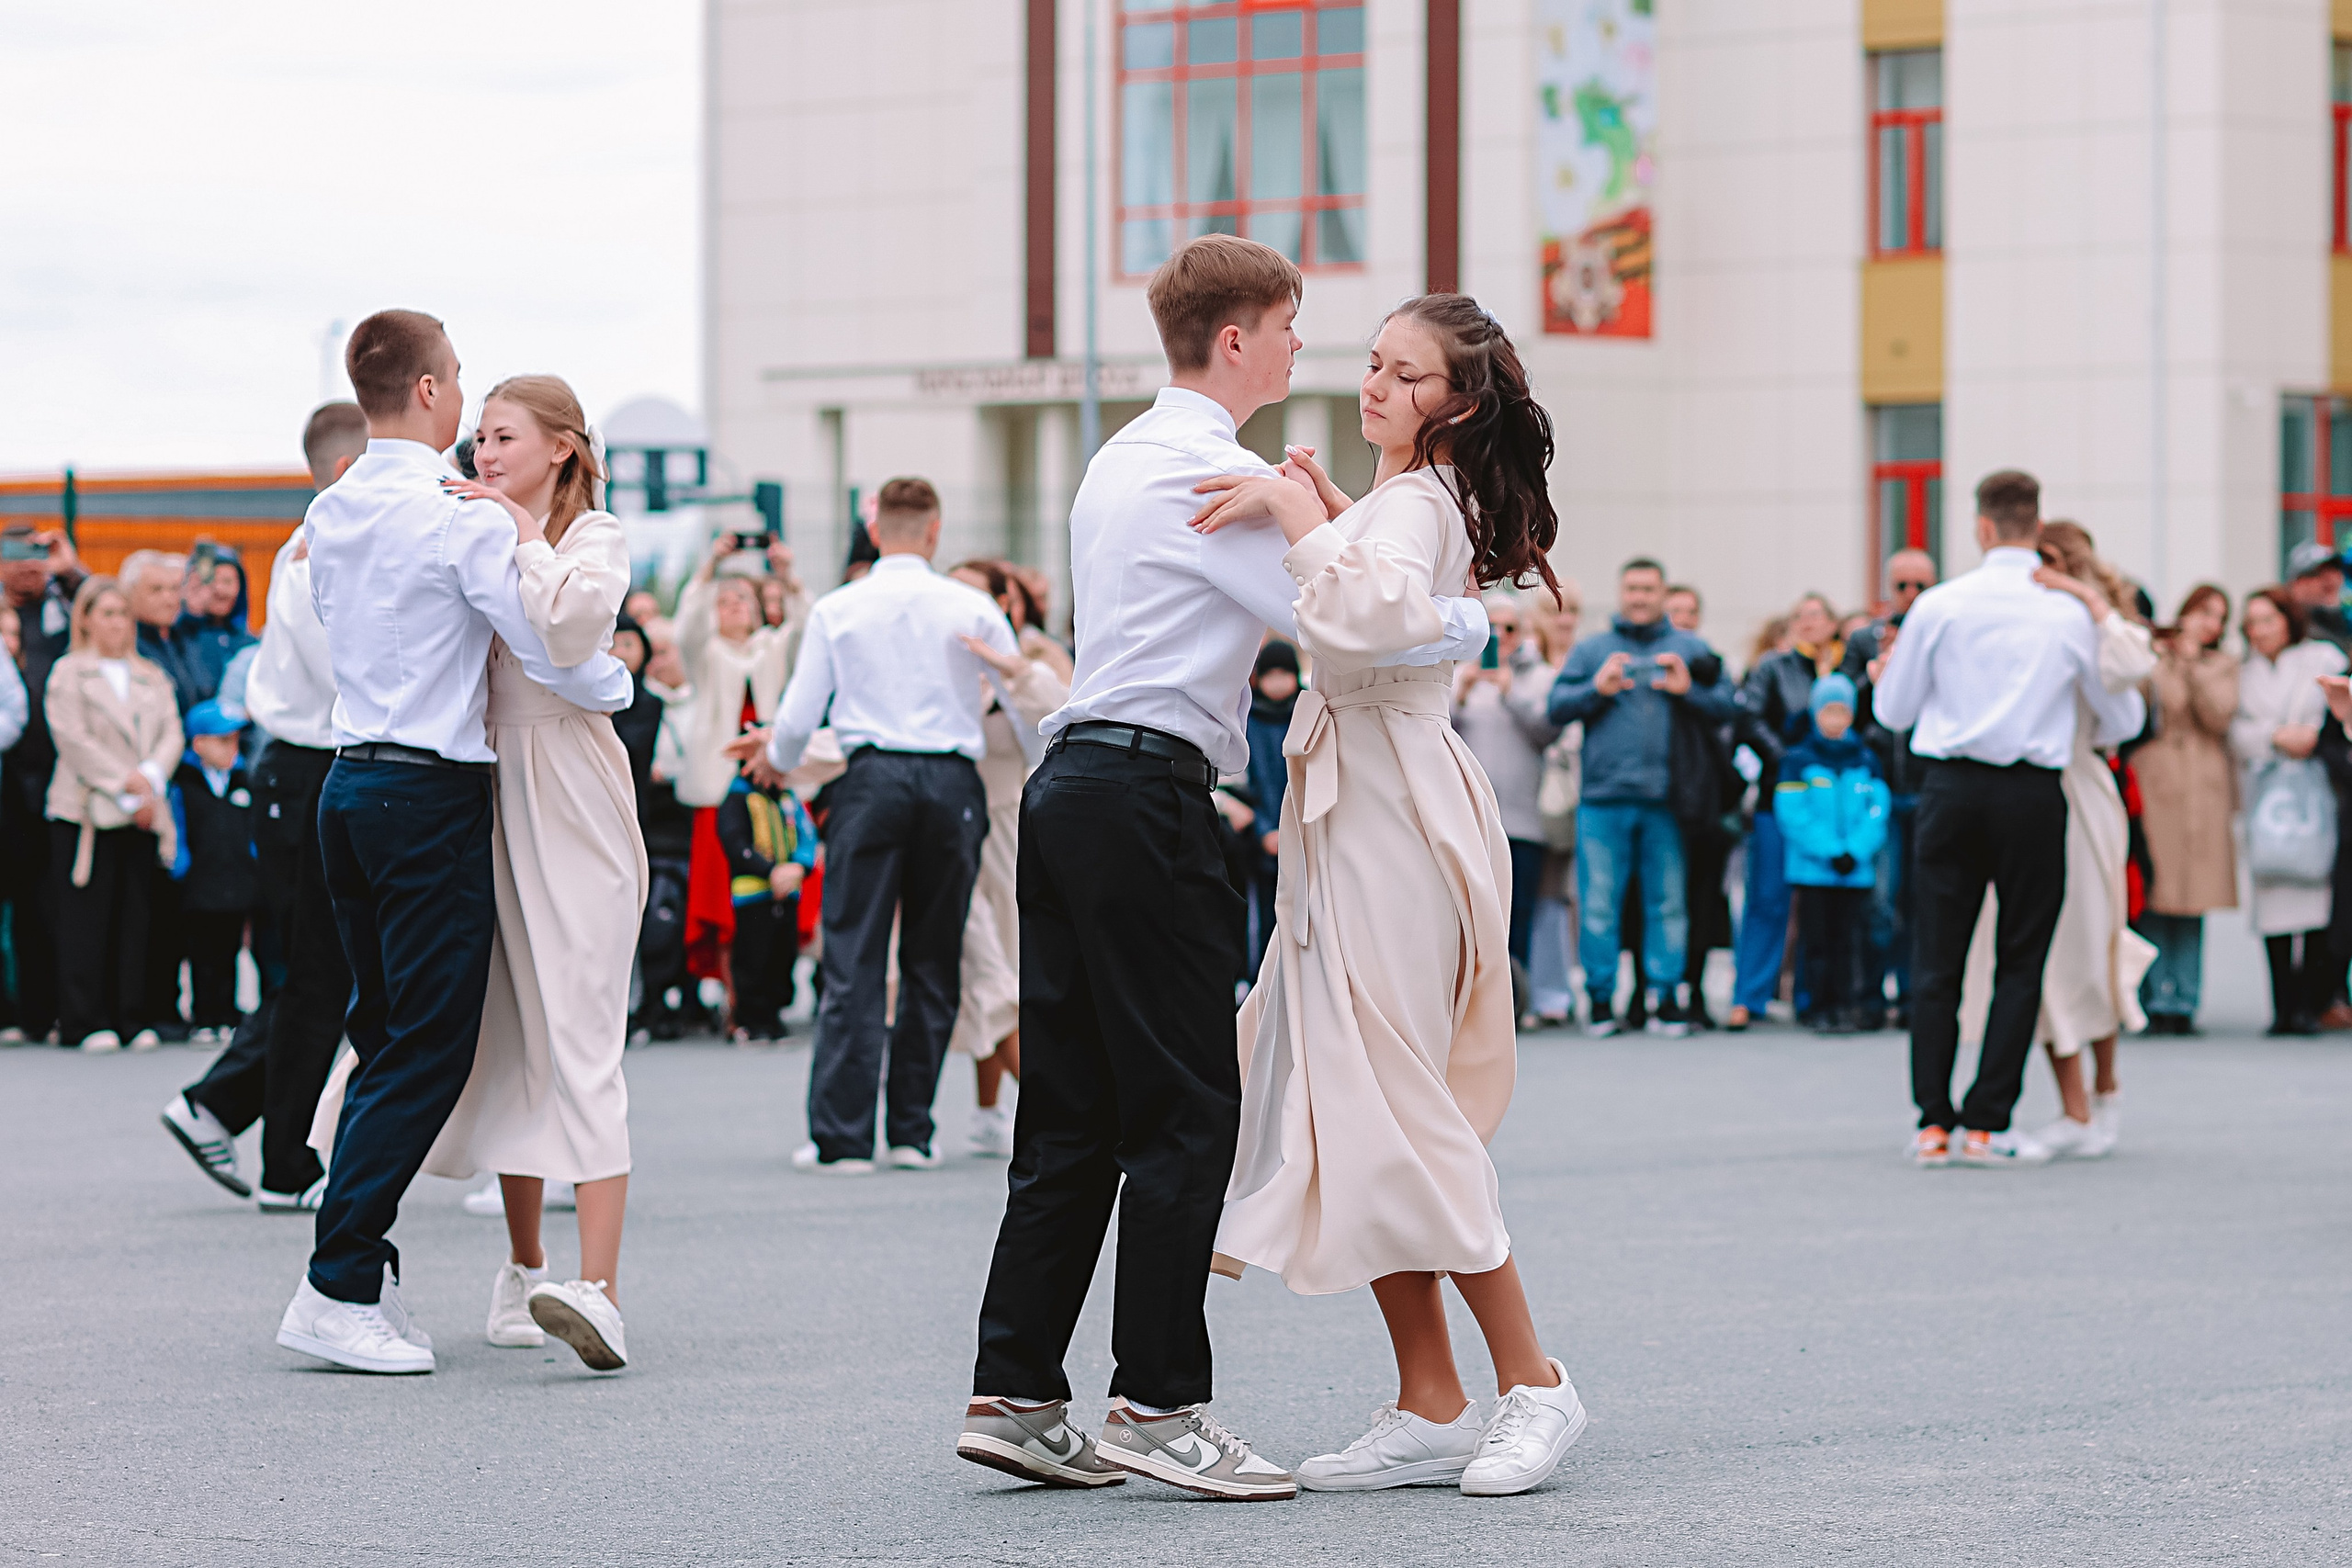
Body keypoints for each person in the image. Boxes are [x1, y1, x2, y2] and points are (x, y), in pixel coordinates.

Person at [956, 237, 1486, 1501]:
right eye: (1293, 328)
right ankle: (1160, 1400)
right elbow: (1353, 618)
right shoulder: (1213, 475)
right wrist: (1475, 612)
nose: (1308, 350)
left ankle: (1019, 1386)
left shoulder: (1119, 457)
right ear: (1238, 337)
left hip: (1073, 778)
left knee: (1071, 1106)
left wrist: (1309, 507)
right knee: (1190, 1104)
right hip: (1147, 791)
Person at [1190, 289, 1589, 1499]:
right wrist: (1317, 509)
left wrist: (1296, 509)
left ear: (1459, 403)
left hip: (1395, 813)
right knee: (1355, 1104)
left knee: (1399, 1098)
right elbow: (1389, 622)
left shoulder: (1419, 501)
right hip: (1358, 802)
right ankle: (1431, 1394)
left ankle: (1534, 1381)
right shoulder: (1398, 499)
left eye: (1404, 374)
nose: (1375, 385)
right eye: (1372, 363)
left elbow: (1363, 627)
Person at [274, 310, 631, 1377]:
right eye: (463, 392)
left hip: (346, 784)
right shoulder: (457, 516)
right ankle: (338, 1283)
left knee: (390, 1034)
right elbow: (553, 650)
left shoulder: (329, 508)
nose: (476, 431)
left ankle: (364, 1262)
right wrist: (617, 680)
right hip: (432, 795)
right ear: (429, 392)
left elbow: (323, 642)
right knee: (429, 1046)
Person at [729, 476, 1015, 1172]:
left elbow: (799, 716)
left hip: (871, 779)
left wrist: (784, 762)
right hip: (953, 781)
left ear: (877, 530)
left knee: (854, 955)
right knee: (934, 955)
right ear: (935, 530)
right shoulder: (972, 604)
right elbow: (1022, 698)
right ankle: (913, 1131)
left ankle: (843, 1135)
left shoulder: (840, 606)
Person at [1869, 470, 2145, 1168]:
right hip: (2032, 793)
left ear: (1983, 526)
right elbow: (2122, 718)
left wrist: (1886, 680)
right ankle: (1989, 1122)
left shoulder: (1941, 603)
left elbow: (1894, 713)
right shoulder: (2066, 614)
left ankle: (1933, 1122)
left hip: (1952, 788)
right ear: (2034, 521)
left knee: (1938, 958)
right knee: (2022, 960)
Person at [161, 402, 368, 1213]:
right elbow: (345, 674)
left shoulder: (328, 542)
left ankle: (223, 1107)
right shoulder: (315, 553)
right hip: (305, 768)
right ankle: (284, 1159)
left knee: (318, 970)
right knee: (314, 970)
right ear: (351, 472)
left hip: (309, 770)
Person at [1956, 524, 2154, 1159]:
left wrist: (2087, 600)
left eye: (2045, 564)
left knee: (2094, 946)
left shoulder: (2086, 623)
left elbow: (2131, 687)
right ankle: (2073, 1107)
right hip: (2016, 795)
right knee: (2030, 956)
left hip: (2081, 793)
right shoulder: (2011, 623)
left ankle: (2107, 1093)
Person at [1546, 558, 1739, 1036]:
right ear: (1620, 592)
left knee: (1667, 903)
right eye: (1631, 588)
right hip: (1602, 799)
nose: (1639, 597)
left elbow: (1729, 708)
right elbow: (1555, 707)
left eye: (1648, 589)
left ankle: (1666, 999)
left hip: (1668, 801)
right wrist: (1597, 688)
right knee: (1598, 905)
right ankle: (1600, 1000)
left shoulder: (1689, 648)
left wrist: (1688, 689)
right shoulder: (1594, 651)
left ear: (1662, 593)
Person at [947, 558, 1070, 1156]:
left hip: (1015, 830)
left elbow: (1062, 717)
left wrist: (1008, 668)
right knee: (984, 972)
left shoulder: (1033, 660)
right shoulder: (940, 658)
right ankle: (1049, 1109)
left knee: (1007, 974)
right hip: (952, 827)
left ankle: (1007, 1109)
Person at [43, 576, 182, 1053]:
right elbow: (72, 739)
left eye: (123, 613)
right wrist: (124, 781)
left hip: (142, 811)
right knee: (87, 917)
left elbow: (171, 731)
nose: (117, 623)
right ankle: (86, 1018)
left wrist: (150, 778)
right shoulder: (68, 673)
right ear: (84, 619)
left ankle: (131, 1016)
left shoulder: (150, 674)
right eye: (106, 613)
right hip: (85, 812)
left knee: (135, 915)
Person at [2229, 586, 2346, 1035]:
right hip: (2267, 789)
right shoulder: (2245, 674)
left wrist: (2315, 739)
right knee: (2274, 897)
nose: (2260, 631)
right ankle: (2281, 1005)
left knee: (2317, 897)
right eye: (2252, 623)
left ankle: (2311, 1003)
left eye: (2268, 620)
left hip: (2316, 787)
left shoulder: (2323, 660)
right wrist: (2275, 739)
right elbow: (2236, 732)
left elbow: (2341, 711)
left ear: (2288, 619)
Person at [1729, 592, 1848, 1030]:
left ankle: (1816, 996)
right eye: (1800, 616)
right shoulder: (1774, 669)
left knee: (1826, 903)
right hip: (1780, 796)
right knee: (1768, 899)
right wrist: (1790, 760)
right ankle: (1749, 996)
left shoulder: (1846, 669)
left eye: (1816, 616)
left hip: (1837, 806)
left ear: (1833, 623)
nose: (1807, 623)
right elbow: (1752, 721)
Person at [2130, 584, 2238, 1034]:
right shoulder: (2155, 658)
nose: (2209, 623)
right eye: (2203, 612)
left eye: (2219, 617)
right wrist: (2167, 657)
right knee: (2155, 892)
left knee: (2194, 897)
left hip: (2202, 789)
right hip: (2158, 785)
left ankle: (2186, 999)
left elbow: (2217, 714)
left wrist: (2192, 662)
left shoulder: (2223, 665)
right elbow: (2154, 706)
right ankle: (2154, 997)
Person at [1847, 549, 1939, 1029]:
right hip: (1879, 785)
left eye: (1921, 587)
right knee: (1880, 899)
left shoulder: (1943, 636)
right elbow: (1842, 711)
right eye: (1902, 586)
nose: (1911, 597)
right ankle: (1869, 995)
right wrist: (1873, 677)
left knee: (1922, 900)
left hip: (1928, 787)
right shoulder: (1864, 641)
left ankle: (1911, 996)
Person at [1451, 589, 1562, 984]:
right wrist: (1462, 693)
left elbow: (1547, 730)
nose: (1500, 636)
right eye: (1491, 626)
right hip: (1467, 819)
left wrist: (1509, 691)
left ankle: (1517, 999)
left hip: (1520, 818)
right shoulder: (1456, 671)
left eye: (1509, 628)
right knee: (1469, 917)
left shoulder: (1541, 677)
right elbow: (1432, 730)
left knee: (1519, 913)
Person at [1, 522, 83, 1045]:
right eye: (16, 554)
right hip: (10, 781)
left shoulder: (62, 610)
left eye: (38, 554)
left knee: (58, 900)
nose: (29, 564)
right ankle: (21, 1012)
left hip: (63, 775)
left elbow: (106, 612)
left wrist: (69, 571)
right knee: (19, 902)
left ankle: (58, 1009)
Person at [1773, 674, 1890, 1033]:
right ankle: (1815, 1005)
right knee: (1817, 940)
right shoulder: (1799, 760)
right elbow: (1793, 812)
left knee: (1848, 940)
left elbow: (1877, 809)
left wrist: (1855, 850)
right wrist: (1829, 850)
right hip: (1814, 870)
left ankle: (1845, 1004)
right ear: (1814, 713)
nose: (1834, 720)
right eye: (1828, 712)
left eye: (1842, 712)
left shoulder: (1866, 760)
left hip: (1854, 870)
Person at [171, 699, 257, 1043]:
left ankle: (227, 1013)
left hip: (236, 882)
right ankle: (205, 1015)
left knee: (230, 948)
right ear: (198, 743)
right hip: (200, 883)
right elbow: (177, 830)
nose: (231, 748)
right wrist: (181, 869)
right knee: (203, 952)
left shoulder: (243, 780)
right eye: (222, 740)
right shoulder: (184, 783)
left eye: (235, 740)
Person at [714, 761, 815, 1042]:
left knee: (782, 956)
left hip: (788, 893)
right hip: (753, 893)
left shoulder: (787, 797)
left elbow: (807, 836)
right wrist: (769, 871)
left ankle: (774, 1016)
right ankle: (750, 1020)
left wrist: (799, 868)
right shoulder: (738, 796)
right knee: (753, 957)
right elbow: (734, 840)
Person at [1242, 640, 1300, 976]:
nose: (1278, 683)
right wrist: (1265, 829)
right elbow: (1246, 781)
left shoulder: (1307, 713)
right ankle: (1260, 985)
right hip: (1261, 838)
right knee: (1264, 918)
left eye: (1285, 674)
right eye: (1271, 675)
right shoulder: (1249, 719)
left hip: (1303, 833)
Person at [2286, 540, 2352, 655]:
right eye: (2319, 573)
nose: (2331, 579)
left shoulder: (2342, 618)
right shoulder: (2284, 623)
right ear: (2297, 583)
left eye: (2336, 570)